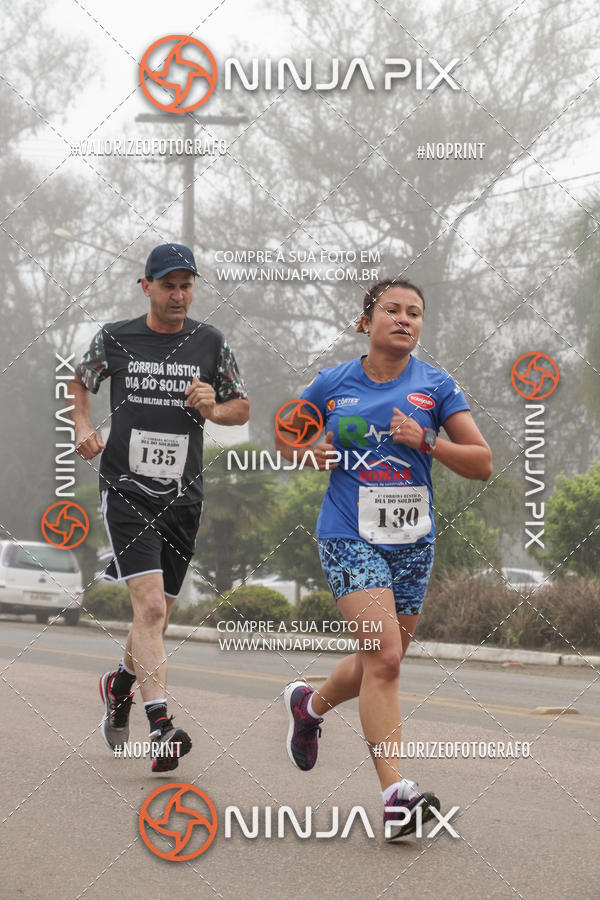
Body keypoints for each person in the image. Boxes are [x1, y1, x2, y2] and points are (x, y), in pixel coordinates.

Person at [275, 278, 492, 840]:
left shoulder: (437, 386)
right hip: (349, 533)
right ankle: (397, 796)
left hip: (413, 540)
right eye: (391, 310)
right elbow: (285, 438)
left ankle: (309, 705)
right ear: (365, 321)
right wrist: (308, 451)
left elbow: (481, 462)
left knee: (380, 661)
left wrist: (428, 442)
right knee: (387, 657)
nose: (404, 320)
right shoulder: (333, 382)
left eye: (414, 313)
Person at [70, 243, 249, 772]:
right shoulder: (116, 337)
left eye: (186, 285)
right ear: (145, 286)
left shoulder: (210, 342)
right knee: (148, 609)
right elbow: (80, 381)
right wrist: (83, 426)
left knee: (159, 617)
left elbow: (241, 407)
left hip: (182, 496)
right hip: (126, 488)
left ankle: (119, 686)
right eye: (167, 285)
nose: (178, 295)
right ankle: (162, 727)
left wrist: (213, 406)